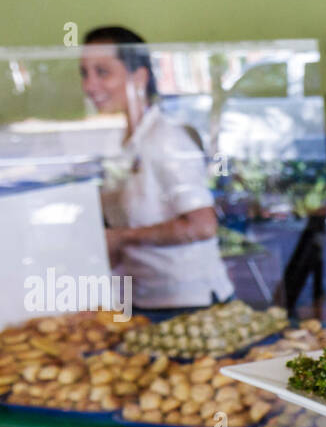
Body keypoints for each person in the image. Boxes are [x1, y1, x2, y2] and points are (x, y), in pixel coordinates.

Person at [80, 25, 234, 318]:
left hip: (189, 304)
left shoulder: (165, 139)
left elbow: (202, 225)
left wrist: (122, 236)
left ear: (138, 77)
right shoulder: (119, 143)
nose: (90, 86)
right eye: (84, 73)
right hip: (141, 300)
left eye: (102, 72)